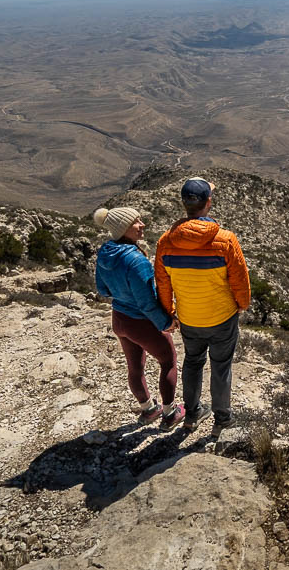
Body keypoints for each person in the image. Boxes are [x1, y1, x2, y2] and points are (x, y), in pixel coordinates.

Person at [154, 177, 250, 432]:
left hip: (189, 318)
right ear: (208, 203)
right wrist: (242, 304)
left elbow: (163, 284)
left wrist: (169, 314)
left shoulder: (165, 242)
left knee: (193, 363)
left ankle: (192, 413)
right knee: (221, 366)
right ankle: (222, 418)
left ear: (185, 204)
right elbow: (240, 280)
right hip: (222, 318)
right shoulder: (225, 240)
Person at [93, 206, 184, 429]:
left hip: (120, 319)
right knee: (168, 361)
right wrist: (166, 322)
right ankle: (170, 413)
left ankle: (147, 410)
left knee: (135, 367)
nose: (142, 225)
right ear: (123, 228)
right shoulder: (136, 261)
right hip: (141, 322)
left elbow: (102, 290)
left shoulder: (105, 253)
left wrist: (120, 291)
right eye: (136, 222)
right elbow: (146, 302)